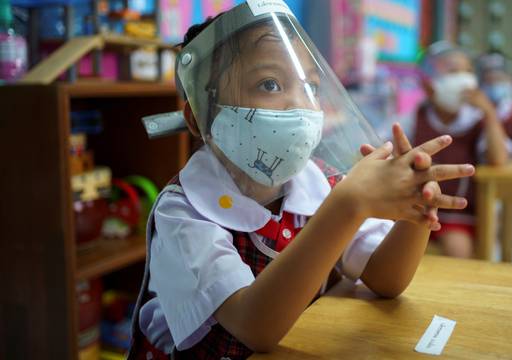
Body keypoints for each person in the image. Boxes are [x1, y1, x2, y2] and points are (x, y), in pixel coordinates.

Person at [127, 3, 474, 359]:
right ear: (199, 117)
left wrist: (413, 213)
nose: (300, 106)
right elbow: (255, 327)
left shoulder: (319, 182)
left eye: (310, 86)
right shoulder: (184, 212)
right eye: (270, 84)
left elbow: (386, 279)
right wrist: (347, 206)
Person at [414, 41, 512, 259]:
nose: (464, 78)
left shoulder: (476, 121)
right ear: (429, 84)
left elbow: (499, 159)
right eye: (453, 71)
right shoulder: (415, 117)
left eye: (468, 71)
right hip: (415, 209)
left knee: (458, 249)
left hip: (457, 216)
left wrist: (489, 113)